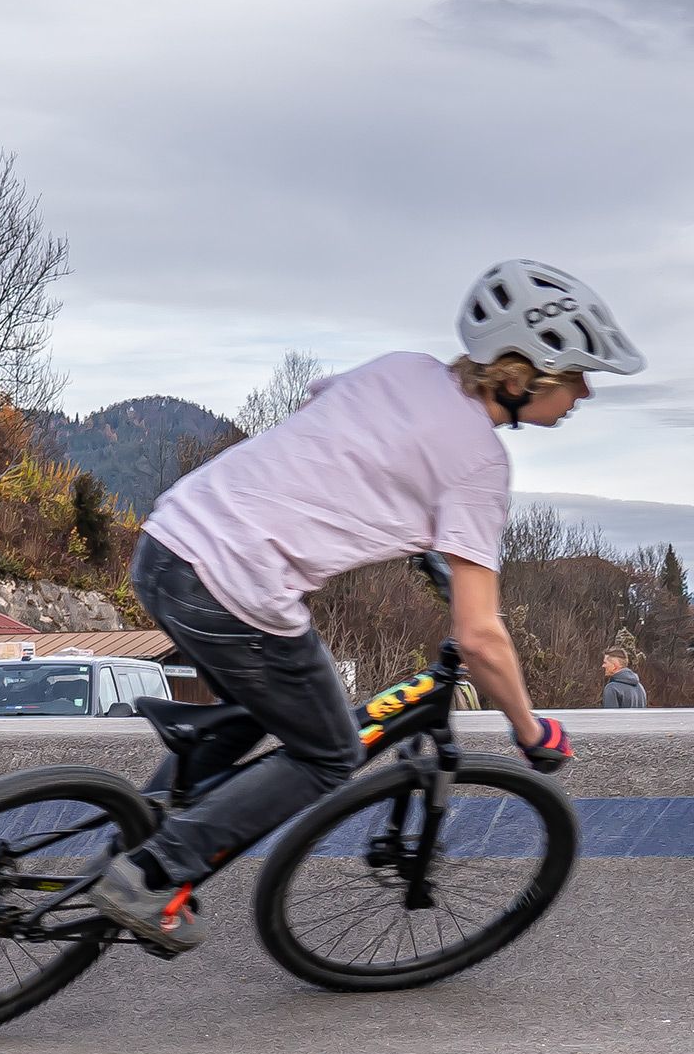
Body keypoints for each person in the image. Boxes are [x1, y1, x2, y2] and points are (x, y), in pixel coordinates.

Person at [87, 259, 645, 952]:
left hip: (167, 543)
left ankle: (141, 826)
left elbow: (342, 443)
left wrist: (418, 540)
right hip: (234, 587)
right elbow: (481, 637)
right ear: (517, 376)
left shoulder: (405, 368)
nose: (584, 392)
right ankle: (150, 874)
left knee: (268, 703)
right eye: (575, 377)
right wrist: (530, 731)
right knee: (329, 753)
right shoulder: (481, 463)